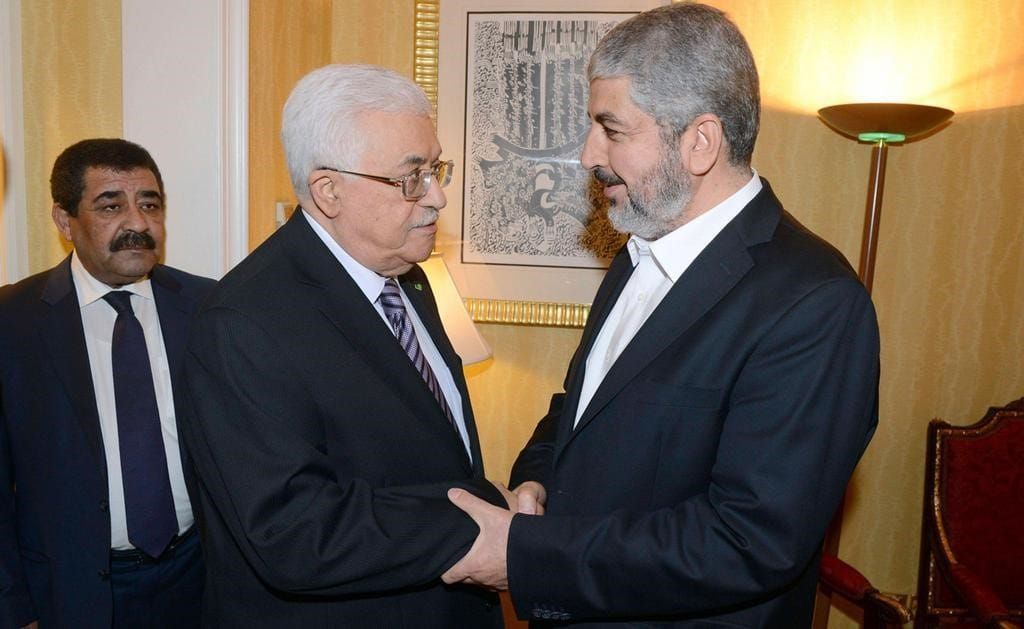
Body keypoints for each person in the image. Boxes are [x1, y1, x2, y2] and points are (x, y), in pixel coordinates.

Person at [441, 4, 880, 627]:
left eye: (612, 130)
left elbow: (747, 541)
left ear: (700, 142)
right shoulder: (637, 251)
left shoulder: (815, 303)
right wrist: (536, 481)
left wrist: (525, 554)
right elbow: (582, 409)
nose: (588, 154)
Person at [178, 64, 504, 628]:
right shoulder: (243, 324)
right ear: (329, 190)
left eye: (435, 169)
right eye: (411, 177)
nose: (437, 196)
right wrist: (476, 525)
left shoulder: (407, 277)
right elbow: (293, 530)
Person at [0, 138, 214, 628]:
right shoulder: (13, 323)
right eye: (110, 206)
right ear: (64, 221)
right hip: (70, 590)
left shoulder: (208, 307)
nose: (138, 224)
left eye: (150, 205)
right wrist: (14, 609)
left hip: (198, 578)